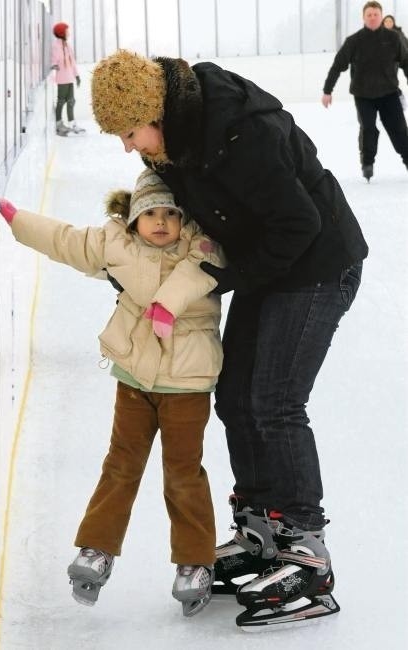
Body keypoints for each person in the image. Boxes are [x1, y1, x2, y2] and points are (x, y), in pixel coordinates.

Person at [90, 48, 368, 627]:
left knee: (274, 401)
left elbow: (299, 223)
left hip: (317, 261)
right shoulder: (172, 147)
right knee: (235, 394)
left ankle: (307, 551)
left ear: (155, 112)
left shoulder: (237, 130)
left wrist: (224, 277)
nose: (126, 145)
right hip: (267, 263)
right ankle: (262, 529)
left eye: (128, 130)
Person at [0, 168, 226, 616]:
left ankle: (195, 561)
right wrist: (15, 218)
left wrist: (165, 306)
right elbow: (66, 240)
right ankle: (97, 550)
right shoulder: (116, 244)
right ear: (132, 217)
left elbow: (199, 274)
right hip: (135, 377)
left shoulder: (201, 245)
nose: (160, 222)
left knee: (182, 473)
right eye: (149, 214)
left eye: (169, 214)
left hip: (187, 382)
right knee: (120, 464)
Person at [322, 1, 408, 181]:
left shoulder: (393, 38)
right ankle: (367, 163)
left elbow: (406, 62)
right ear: (363, 17)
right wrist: (327, 90)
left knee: (399, 129)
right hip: (363, 95)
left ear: (381, 16)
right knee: (368, 128)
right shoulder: (354, 41)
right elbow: (338, 66)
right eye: (369, 14)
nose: (372, 17)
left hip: (389, 93)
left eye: (376, 14)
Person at [51, 22, 84, 136]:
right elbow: (55, 60)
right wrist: (54, 64)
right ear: (61, 33)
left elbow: (72, 62)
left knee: (71, 101)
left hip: (70, 78)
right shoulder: (56, 45)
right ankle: (59, 125)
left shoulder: (68, 45)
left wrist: (77, 76)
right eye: (67, 31)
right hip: (62, 79)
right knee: (61, 101)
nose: (68, 33)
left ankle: (72, 124)